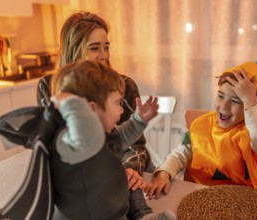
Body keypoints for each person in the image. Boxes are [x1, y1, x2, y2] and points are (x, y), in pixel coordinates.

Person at [36, 11, 156, 219]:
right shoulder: (49, 87)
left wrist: (129, 168)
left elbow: (132, 143)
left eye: (106, 46)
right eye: (94, 48)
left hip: (118, 160)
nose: (104, 55)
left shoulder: (122, 85)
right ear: (74, 51)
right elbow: (50, 144)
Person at [145, 57, 257, 199]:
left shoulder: (253, 132)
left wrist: (250, 99)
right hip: (198, 196)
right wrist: (165, 171)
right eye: (220, 96)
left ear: (251, 106)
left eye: (235, 101)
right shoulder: (202, 125)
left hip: (240, 202)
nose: (224, 107)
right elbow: (182, 153)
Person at [50, 60, 176, 219]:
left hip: (107, 205)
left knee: (130, 177)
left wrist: (139, 120)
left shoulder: (103, 134)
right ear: (91, 109)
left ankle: (143, 216)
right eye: (117, 103)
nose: (122, 109)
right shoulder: (74, 144)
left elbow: (121, 137)